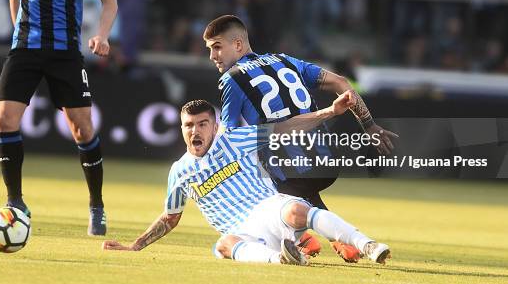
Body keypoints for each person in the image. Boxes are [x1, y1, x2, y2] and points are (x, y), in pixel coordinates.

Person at [102, 96, 391, 266]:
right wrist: (135, 246)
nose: (195, 131)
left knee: (295, 210)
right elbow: (170, 218)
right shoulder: (180, 171)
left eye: (202, 124)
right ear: (181, 128)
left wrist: (330, 112)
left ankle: (367, 245)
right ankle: (282, 259)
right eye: (189, 125)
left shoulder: (233, 139)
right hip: (241, 230)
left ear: (214, 126)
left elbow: (284, 129)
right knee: (224, 245)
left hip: (268, 208)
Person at [202, 15, 398, 262]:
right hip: (328, 161)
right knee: (289, 179)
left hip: (291, 171)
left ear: (238, 45)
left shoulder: (232, 78)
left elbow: (228, 137)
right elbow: (341, 82)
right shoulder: (284, 60)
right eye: (210, 49)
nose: (213, 56)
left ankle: (299, 237)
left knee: (254, 168)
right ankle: (328, 237)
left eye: (217, 47)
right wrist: (369, 125)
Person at [0, 0, 118, 236]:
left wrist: (102, 34)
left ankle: (96, 205)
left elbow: (109, 0)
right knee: (5, 117)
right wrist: (18, 28)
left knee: (83, 129)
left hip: (65, 53)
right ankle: (14, 200)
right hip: (25, 48)